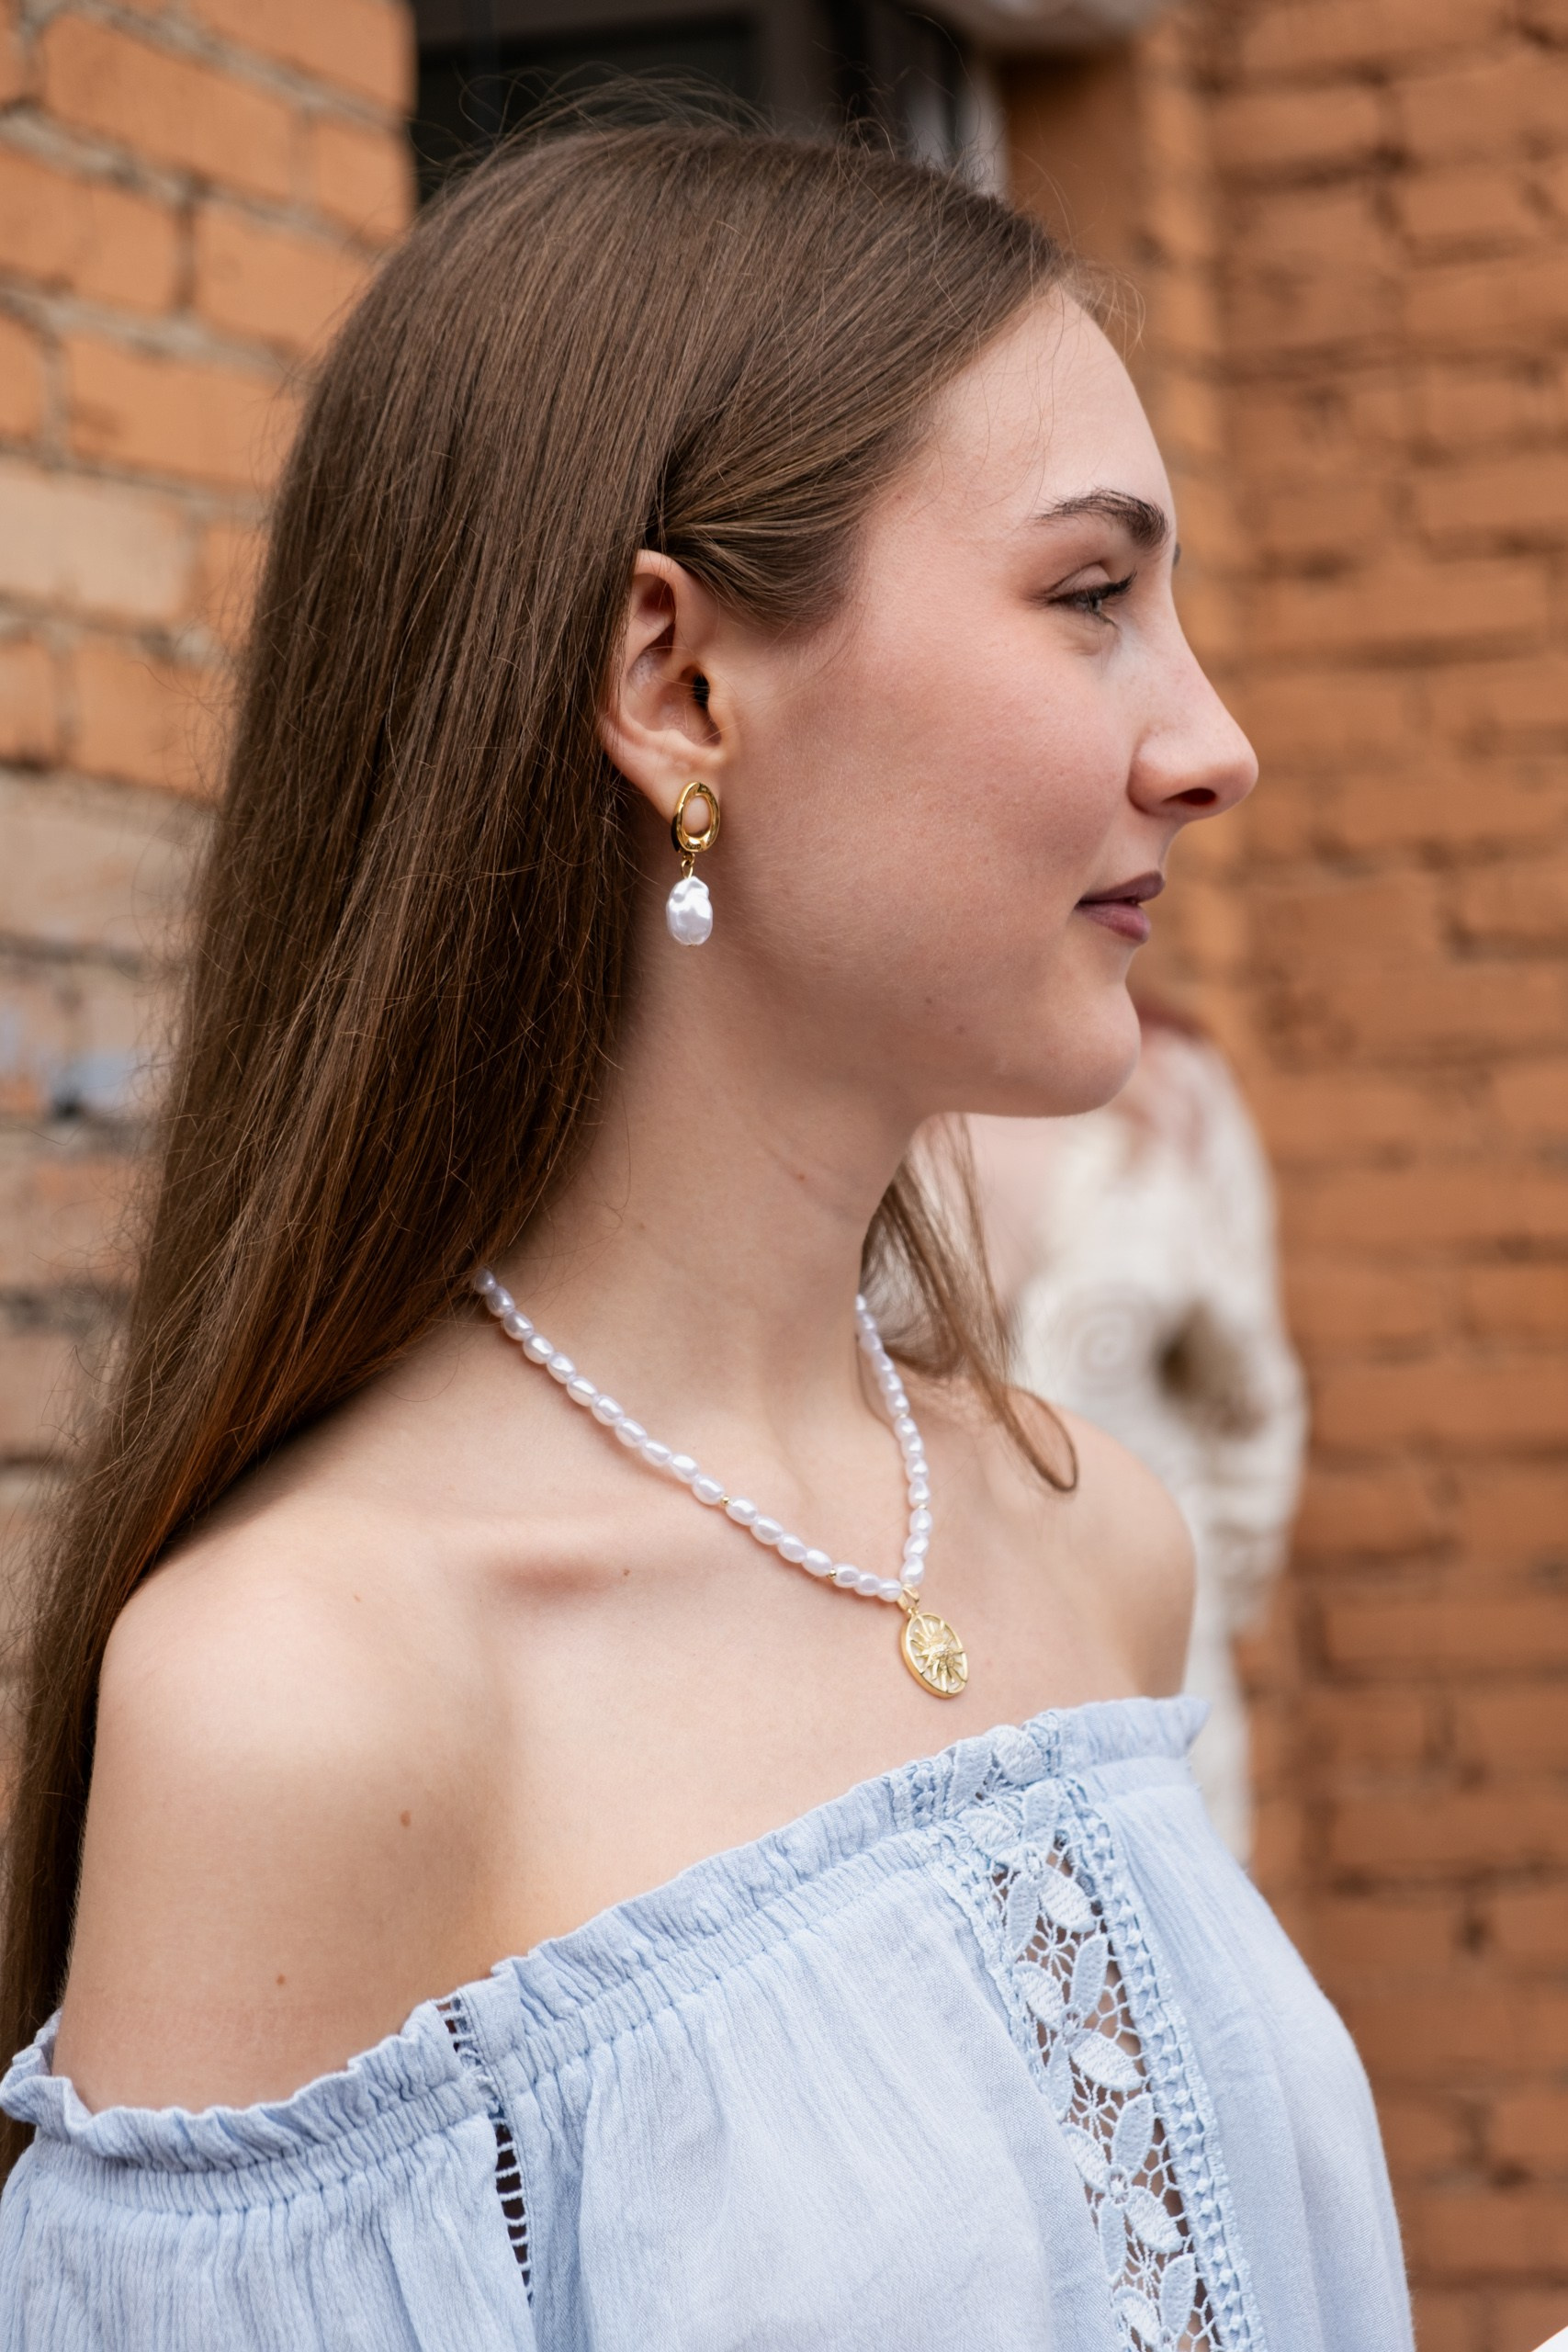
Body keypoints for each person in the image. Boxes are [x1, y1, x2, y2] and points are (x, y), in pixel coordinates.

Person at [0, 122, 1412, 2348]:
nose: (1208, 741)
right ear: (675, 684)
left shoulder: (1085, 1535)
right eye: (1087, 596)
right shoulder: (313, 1700)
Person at [969, 1008, 1308, 1862]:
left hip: (1159, 1673)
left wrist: (1194, 1600)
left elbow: (1249, 1400)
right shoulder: (855, 1091)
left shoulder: (1173, 1086)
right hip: (942, 1665)